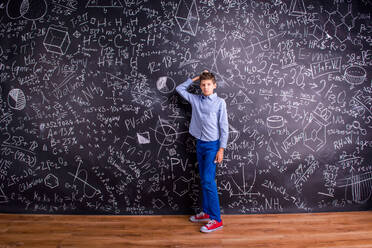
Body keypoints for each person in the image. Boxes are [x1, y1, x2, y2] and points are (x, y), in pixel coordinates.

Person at [176, 70, 229, 233]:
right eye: (203, 85)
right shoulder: (196, 99)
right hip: (200, 144)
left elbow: (224, 127)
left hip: (213, 146)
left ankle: (216, 220)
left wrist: (221, 149)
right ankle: (206, 213)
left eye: (208, 84)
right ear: (200, 86)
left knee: (208, 181)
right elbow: (179, 89)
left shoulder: (220, 103)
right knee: (204, 180)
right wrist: (197, 77)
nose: (206, 87)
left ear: (214, 86)